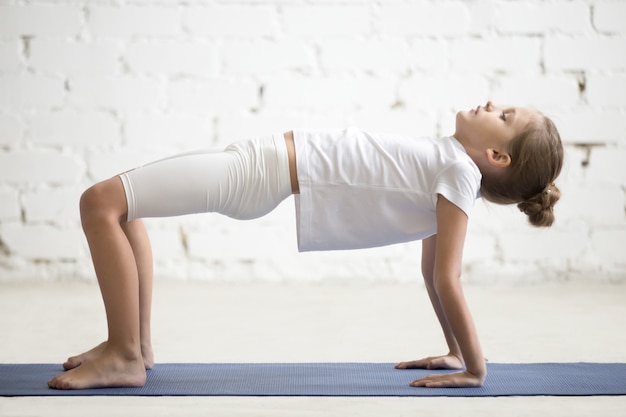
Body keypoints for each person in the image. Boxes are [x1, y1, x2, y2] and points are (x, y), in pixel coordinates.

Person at [47, 101, 564, 390]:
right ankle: (135, 348)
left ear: (496, 154)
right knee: (126, 207)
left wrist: (475, 367)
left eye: (505, 115)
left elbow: (446, 276)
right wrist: (455, 351)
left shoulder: (455, 173)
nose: (493, 103)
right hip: (260, 165)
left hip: (258, 173)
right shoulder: (450, 168)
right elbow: (433, 274)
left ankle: (124, 356)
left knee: (100, 203)